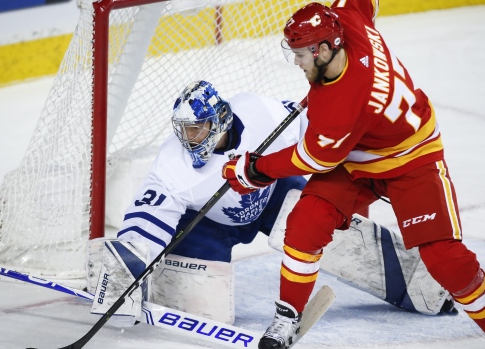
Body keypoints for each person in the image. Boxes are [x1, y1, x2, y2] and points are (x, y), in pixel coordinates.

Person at [221, 2, 485, 349]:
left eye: (301, 55)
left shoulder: (342, 105)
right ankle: (287, 317)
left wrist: (253, 170)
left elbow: (312, 159)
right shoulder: (347, 17)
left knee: (447, 260)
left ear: (323, 50)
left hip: (413, 159)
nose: (296, 62)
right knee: (305, 224)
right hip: (358, 156)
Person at [88, 80, 454, 328]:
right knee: (206, 315)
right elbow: (144, 221)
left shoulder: (261, 112)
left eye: (196, 129)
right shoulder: (172, 167)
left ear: (219, 122)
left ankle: (423, 286)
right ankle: (142, 282)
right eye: (183, 130)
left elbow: (317, 130)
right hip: (206, 227)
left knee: (327, 231)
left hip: (271, 193)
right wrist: (125, 269)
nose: (188, 139)